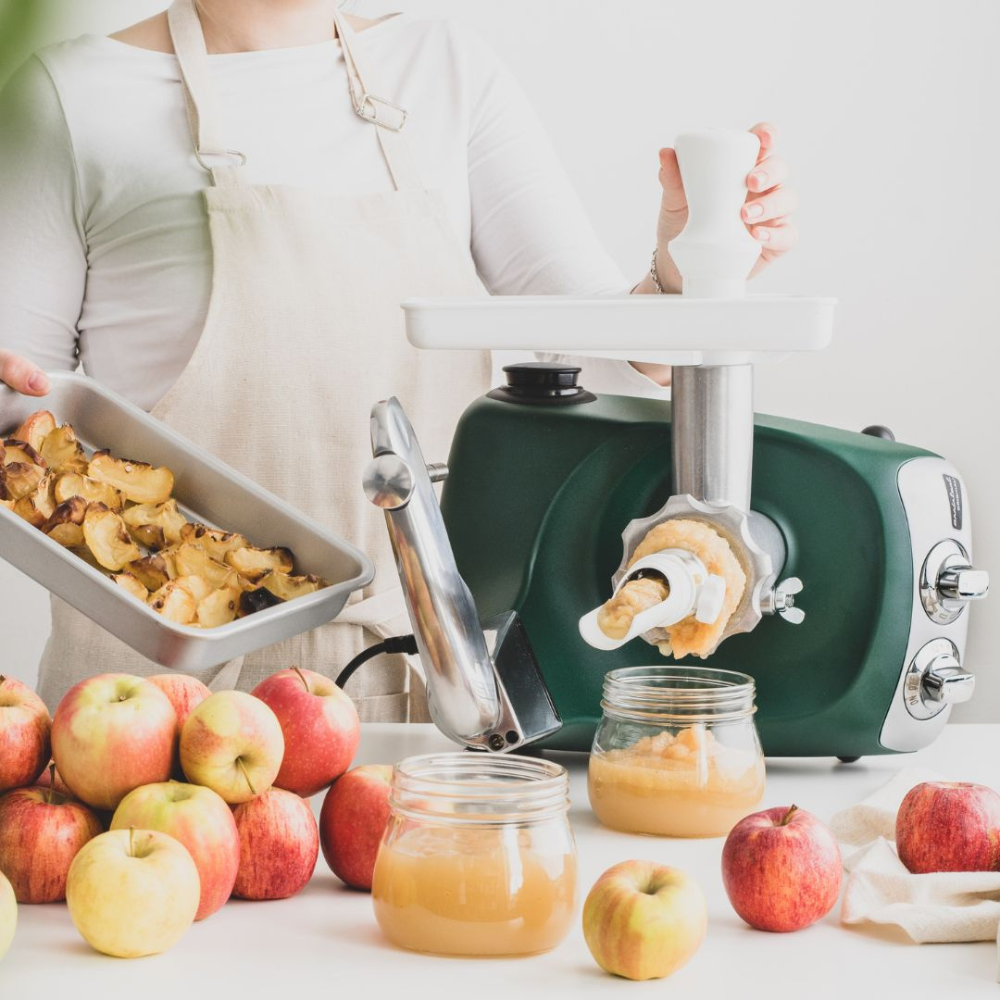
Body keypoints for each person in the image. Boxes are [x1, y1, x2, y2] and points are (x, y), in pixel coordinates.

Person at [0, 0, 797, 718]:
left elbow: (604, 359)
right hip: (145, 717)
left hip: (416, 695)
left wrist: (681, 275)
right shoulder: (69, 97)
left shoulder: (446, 72)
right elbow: (22, 438)